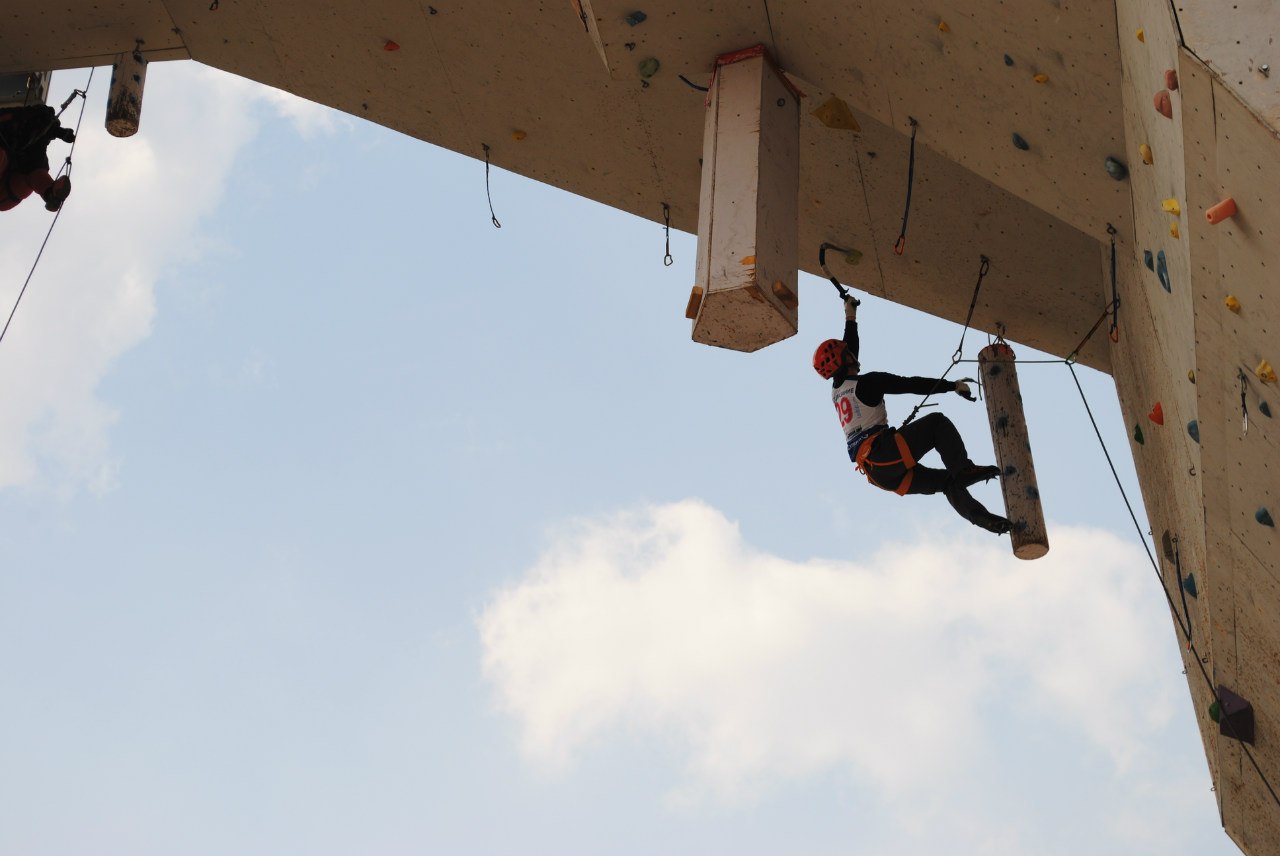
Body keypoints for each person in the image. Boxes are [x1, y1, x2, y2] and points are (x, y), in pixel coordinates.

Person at [815, 295, 1012, 534]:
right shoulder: (868, 383)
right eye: (848, 354)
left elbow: (848, 349)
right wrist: (951, 386)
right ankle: (963, 469)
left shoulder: (837, 390)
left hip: (880, 474)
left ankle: (985, 520)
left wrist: (851, 316)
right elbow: (909, 384)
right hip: (884, 454)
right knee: (937, 423)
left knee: (947, 482)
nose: (854, 354)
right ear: (844, 360)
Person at [0, 104, 74, 213]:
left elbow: (38, 145)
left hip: (9, 191)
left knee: (33, 171)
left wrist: (58, 132)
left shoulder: (27, 132)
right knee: (32, 171)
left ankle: (50, 193)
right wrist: (58, 132)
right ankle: (50, 194)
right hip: (7, 194)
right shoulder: (20, 123)